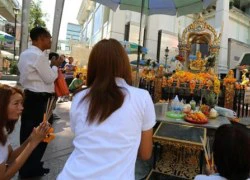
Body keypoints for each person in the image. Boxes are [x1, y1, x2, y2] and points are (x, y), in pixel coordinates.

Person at [57, 39, 156, 180]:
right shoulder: (142, 97)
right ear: (124, 64)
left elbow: (82, 137)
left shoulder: (79, 98)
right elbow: (145, 153)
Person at [17, 26, 62, 178]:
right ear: (41, 38)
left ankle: (29, 166)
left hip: (30, 97)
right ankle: (31, 168)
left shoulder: (25, 54)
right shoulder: (38, 56)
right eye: (49, 38)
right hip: (40, 100)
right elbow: (49, 78)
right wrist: (55, 67)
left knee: (28, 133)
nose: (50, 41)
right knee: (42, 133)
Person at [0, 84, 50, 179]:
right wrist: (33, 144)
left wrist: (31, 138)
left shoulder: (2, 128)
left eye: (21, 103)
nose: (21, 108)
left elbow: (10, 158)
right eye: (16, 103)